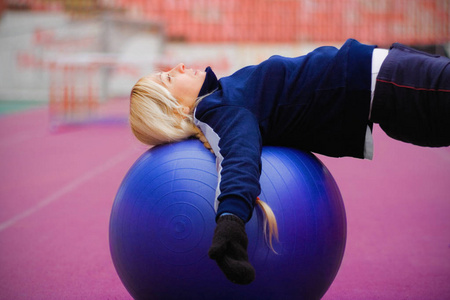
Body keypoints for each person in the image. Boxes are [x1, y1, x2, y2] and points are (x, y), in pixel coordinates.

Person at [129, 39, 450, 285]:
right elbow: (237, 155)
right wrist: (230, 221)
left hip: (382, 72)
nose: (179, 66)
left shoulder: (223, 96)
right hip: (381, 80)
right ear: (176, 110)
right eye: (169, 79)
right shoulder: (217, 109)